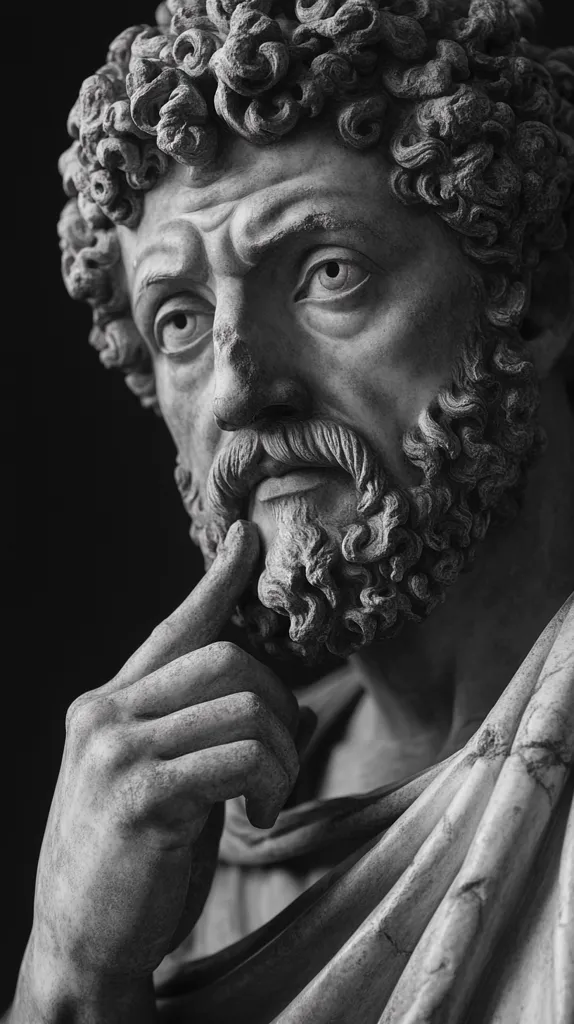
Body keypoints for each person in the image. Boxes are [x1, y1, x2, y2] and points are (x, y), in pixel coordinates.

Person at [5, 0, 573, 1021]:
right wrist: (73, 974)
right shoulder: (178, 841)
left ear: (534, 301)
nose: (236, 389)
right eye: (180, 321)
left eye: (327, 275)